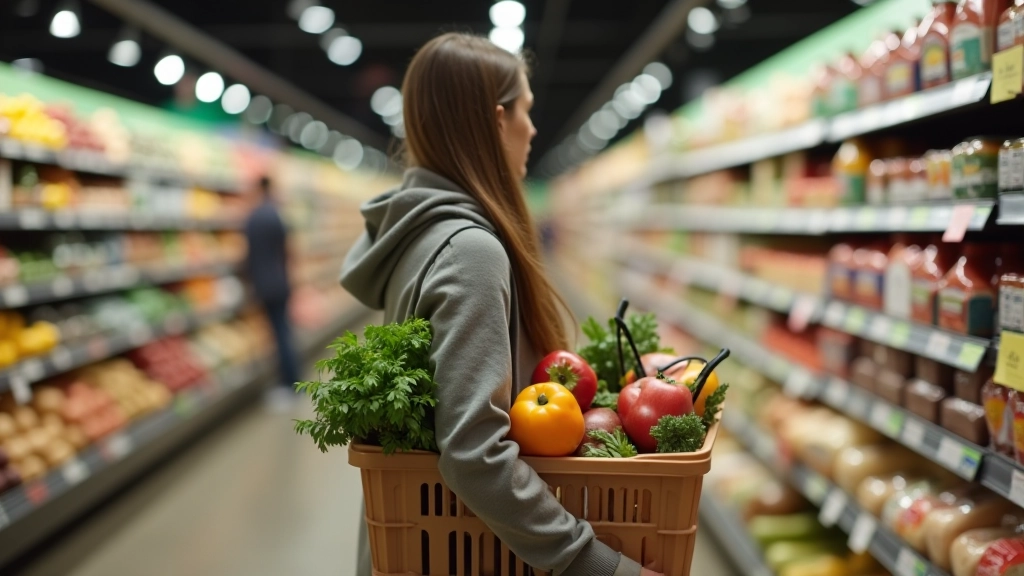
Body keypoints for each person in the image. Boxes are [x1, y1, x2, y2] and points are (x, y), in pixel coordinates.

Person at [340, 33, 659, 576]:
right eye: (526, 112)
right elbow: (473, 451)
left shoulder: (413, 232)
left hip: (417, 540)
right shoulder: (470, 250)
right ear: (495, 120)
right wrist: (598, 565)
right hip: (460, 551)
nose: (533, 130)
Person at [244, 176, 300, 398]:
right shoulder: (277, 214)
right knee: (284, 332)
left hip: (264, 285)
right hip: (281, 281)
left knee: (278, 335)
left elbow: (249, 257)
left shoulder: (253, 218)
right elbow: (288, 249)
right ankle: (291, 381)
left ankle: (289, 385)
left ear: (258, 189)